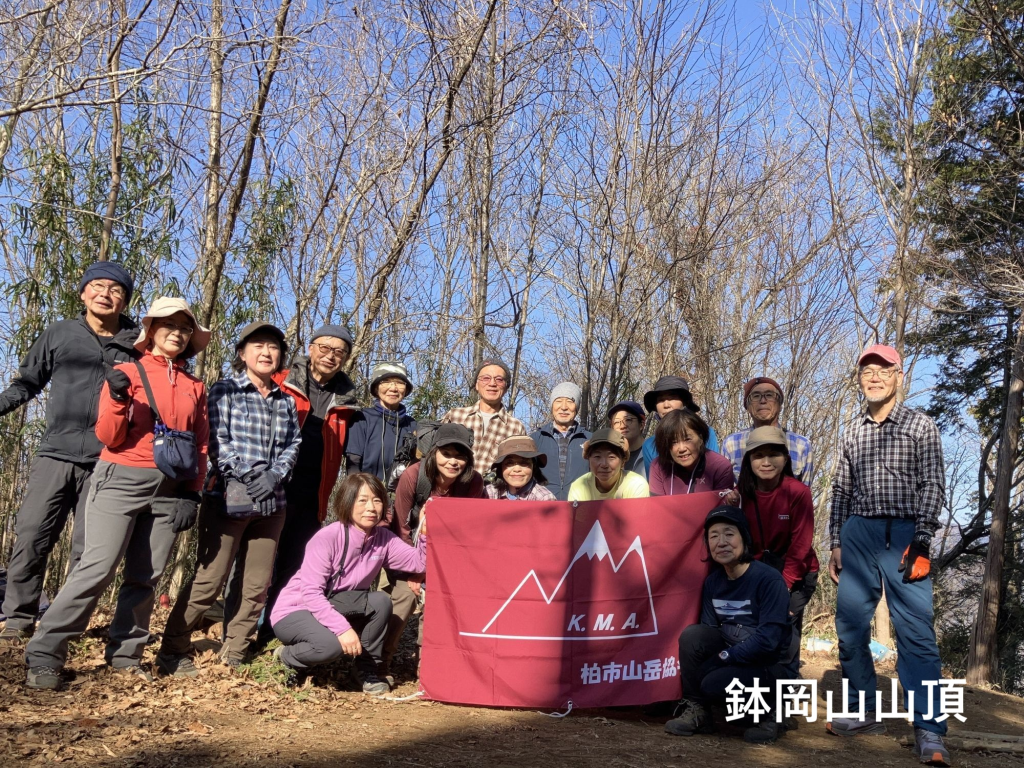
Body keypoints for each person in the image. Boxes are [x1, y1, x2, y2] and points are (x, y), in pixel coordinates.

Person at [23, 298, 210, 689]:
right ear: (151, 331)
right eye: (169, 325)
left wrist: (192, 494)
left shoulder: (195, 386)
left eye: (185, 327)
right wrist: (120, 398)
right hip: (120, 478)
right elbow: (108, 436)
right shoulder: (127, 372)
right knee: (97, 568)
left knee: (146, 577)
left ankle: (126, 655)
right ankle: (45, 654)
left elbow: (201, 443)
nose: (177, 333)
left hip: (170, 489)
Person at [0, 262, 138, 643]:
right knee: (32, 535)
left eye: (115, 289)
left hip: (108, 460)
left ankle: (63, 626)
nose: (105, 294)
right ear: (82, 293)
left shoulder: (137, 344)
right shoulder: (60, 333)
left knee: (90, 549)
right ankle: (18, 619)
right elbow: (26, 383)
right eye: (98, 286)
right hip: (55, 453)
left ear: (125, 300)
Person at [826, 344, 950, 765]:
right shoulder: (852, 430)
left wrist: (923, 539)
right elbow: (841, 490)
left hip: (905, 533)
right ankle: (863, 711)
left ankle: (930, 729)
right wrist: (836, 542)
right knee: (849, 628)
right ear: (860, 380)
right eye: (867, 372)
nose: (874, 377)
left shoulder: (920, 425)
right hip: (859, 532)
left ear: (899, 376)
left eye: (883, 370)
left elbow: (933, 482)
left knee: (916, 633)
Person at [157, 322, 302, 676]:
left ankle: (235, 651)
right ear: (242, 353)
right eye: (258, 346)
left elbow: (293, 444)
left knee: (256, 584)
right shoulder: (224, 390)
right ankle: (173, 648)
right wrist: (249, 476)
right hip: (228, 496)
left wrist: (273, 476)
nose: (266, 352)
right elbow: (216, 440)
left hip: (273, 504)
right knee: (210, 579)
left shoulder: (285, 400)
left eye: (273, 347)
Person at [270, 474, 427, 693]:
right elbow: (311, 593)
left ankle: (366, 671)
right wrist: (343, 629)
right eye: (362, 500)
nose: (371, 508)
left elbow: (420, 563)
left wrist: (425, 531)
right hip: (295, 610)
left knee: (380, 601)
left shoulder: (383, 539)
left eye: (377, 500)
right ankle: (286, 657)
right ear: (347, 502)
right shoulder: (327, 537)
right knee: (330, 646)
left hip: (335, 604)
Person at [256, 325, 359, 648]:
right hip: (270, 487)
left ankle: (272, 630)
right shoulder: (280, 381)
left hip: (313, 494)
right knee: (257, 563)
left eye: (339, 352)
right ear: (310, 348)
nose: (330, 356)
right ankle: (241, 632)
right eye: (324, 348)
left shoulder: (347, 402)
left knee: (293, 565)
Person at [664, 506, 790, 744]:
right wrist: (716, 659)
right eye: (713, 536)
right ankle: (698, 711)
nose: (721, 542)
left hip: (765, 665)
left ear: (744, 538)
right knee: (692, 636)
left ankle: (773, 713)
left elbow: (768, 640)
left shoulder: (769, 579)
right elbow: (708, 632)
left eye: (729, 534)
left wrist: (724, 657)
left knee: (714, 684)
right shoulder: (713, 582)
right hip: (733, 656)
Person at [380, 424, 485, 670]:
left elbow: (467, 532)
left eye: (460, 456)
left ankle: (430, 666)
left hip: (450, 557)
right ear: (434, 452)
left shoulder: (473, 482)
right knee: (405, 597)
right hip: (408, 553)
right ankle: (379, 662)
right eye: (446, 454)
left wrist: (433, 572)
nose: (453, 462)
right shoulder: (413, 476)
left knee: (441, 600)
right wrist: (416, 570)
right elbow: (401, 528)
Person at [736, 426, 819, 679]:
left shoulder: (798, 492)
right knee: (757, 632)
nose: (766, 462)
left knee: (784, 631)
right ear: (748, 460)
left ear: (785, 458)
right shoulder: (741, 494)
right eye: (758, 455)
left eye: (774, 454)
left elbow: (801, 544)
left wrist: (784, 585)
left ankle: (785, 693)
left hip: (796, 574)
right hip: (759, 572)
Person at [721, 377, 814, 485]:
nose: (763, 401)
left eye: (769, 395)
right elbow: (724, 491)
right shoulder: (731, 444)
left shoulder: (801, 445)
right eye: (756, 396)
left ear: (780, 405)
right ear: (748, 407)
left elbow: (804, 491)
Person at [442, 358, 526, 475]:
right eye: (486, 378)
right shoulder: (455, 416)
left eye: (499, 379)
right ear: (476, 385)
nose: (492, 384)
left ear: (506, 388)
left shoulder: (515, 427)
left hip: (492, 487)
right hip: (453, 485)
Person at [346, 361, 417, 485]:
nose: (393, 388)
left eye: (400, 383)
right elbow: (353, 464)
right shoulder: (362, 419)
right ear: (376, 388)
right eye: (386, 382)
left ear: (406, 389)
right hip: (366, 490)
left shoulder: (413, 425)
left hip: (402, 493)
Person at [641, 376, 719, 476]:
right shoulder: (650, 445)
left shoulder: (705, 433)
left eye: (672, 398)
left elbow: (714, 472)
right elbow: (653, 481)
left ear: (685, 403)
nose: (666, 405)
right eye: (661, 400)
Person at [647, 410, 736, 497]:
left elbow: (722, 505)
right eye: (674, 442)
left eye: (687, 439)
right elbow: (657, 505)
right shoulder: (658, 467)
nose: (682, 449)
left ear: (701, 439)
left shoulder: (720, 467)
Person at [530, 382, 589, 500]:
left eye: (570, 401)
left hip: (580, 505)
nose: (564, 407)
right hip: (544, 505)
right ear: (552, 406)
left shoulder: (590, 439)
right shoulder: (535, 439)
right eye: (558, 401)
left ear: (577, 407)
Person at [567, 428, 649, 501]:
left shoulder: (636, 485)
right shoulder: (580, 486)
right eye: (597, 457)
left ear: (623, 462)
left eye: (611, 457)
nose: (604, 464)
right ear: (589, 460)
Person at [485, 436, 557, 501]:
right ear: (501, 467)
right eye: (509, 463)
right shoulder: (489, 493)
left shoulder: (544, 499)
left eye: (524, 463)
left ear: (534, 466)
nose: (517, 469)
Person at [608, 401, 646, 475]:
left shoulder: (654, 452)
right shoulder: (608, 457)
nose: (622, 426)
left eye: (628, 420)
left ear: (641, 424)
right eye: (616, 422)